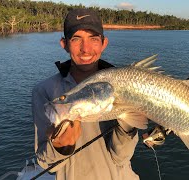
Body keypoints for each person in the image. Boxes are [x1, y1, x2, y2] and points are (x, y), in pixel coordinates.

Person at [32, 8, 139, 180]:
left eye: (93, 39)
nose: (86, 49)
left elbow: (122, 157)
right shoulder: (45, 91)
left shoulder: (125, 84)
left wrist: (128, 121)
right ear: (64, 44)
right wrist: (60, 147)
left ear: (104, 43)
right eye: (76, 39)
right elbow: (46, 164)